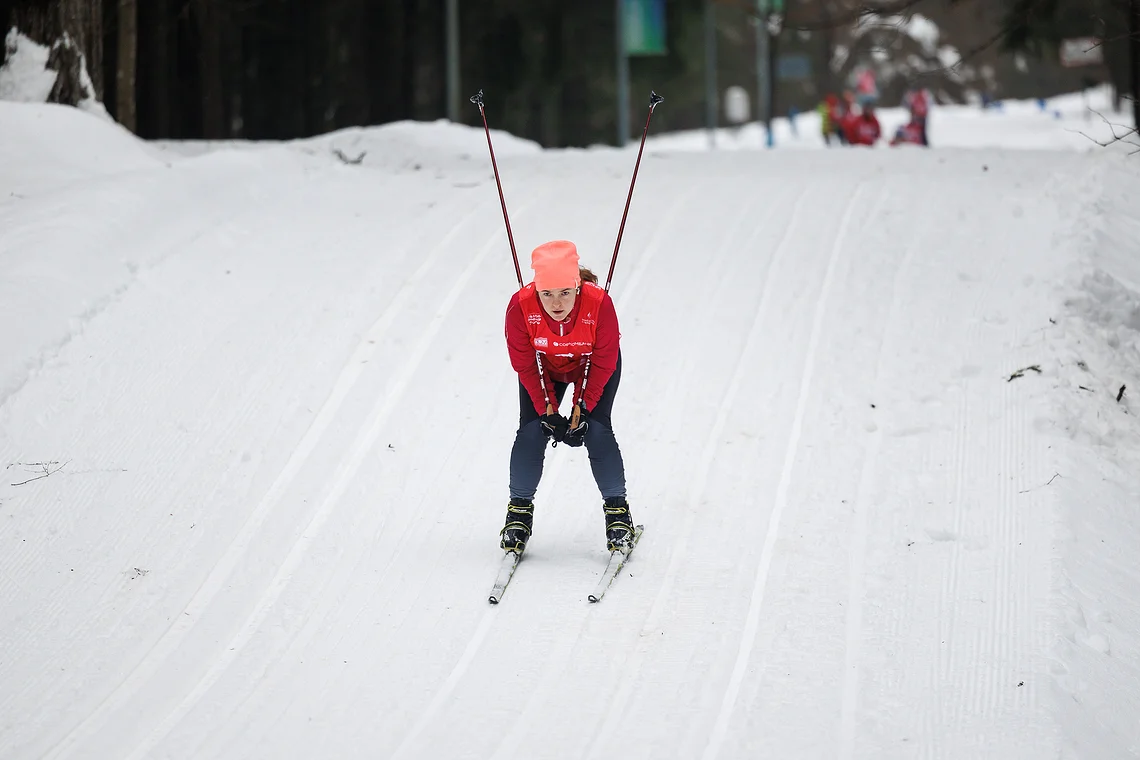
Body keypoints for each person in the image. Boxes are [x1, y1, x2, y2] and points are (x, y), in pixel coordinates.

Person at [500, 240, 634, 555]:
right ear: (536, 289)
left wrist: (582, 408)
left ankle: (617, 513)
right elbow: (524, 364)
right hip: (544, 368)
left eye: (564, 292)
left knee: (596, 429)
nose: (556, 303)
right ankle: (518, 513)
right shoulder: (520, 307)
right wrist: (547, 409)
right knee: (533, 429)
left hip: (593, 366)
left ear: (577, 286)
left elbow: (604, 362)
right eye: (546, 294)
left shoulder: (599, 304)